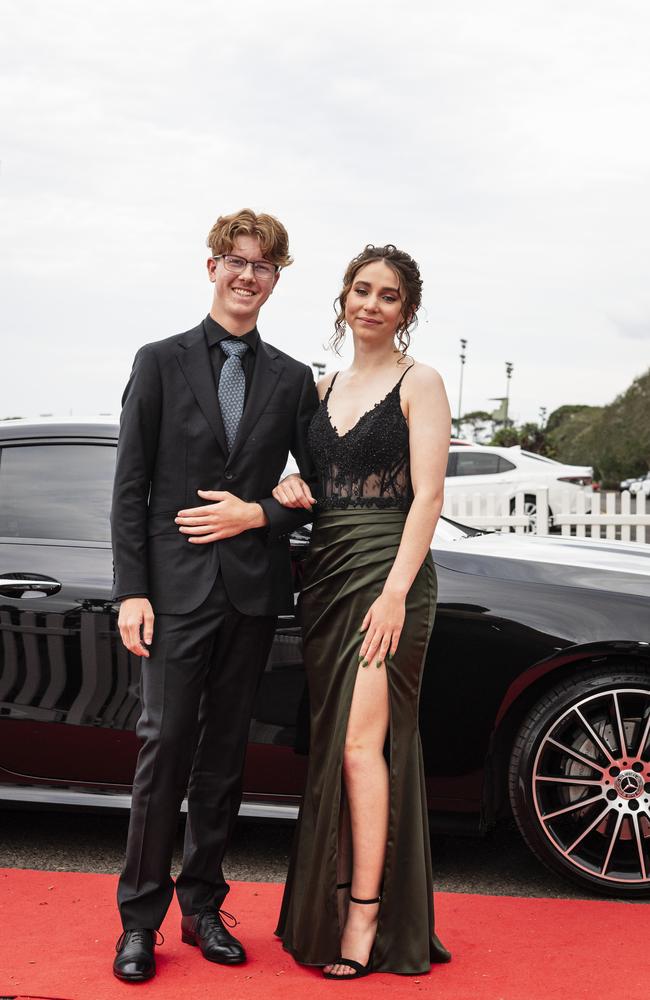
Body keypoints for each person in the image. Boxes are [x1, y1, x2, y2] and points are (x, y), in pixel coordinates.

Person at [110, 208, 318, 983]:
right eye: (235, 261)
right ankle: (139, 922)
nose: (246, 275)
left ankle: (202, 910)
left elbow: (322, 475)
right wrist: (134, 590)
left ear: (275, 278)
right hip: (174, 592)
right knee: (163, 752)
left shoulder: (293, 378)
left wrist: (262, 508)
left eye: (262, 265)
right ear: (211, 267)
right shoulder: (159, 361)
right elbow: (131, 486)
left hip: (252, 594)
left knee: (225, 761)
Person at [274, 244, 452, 979]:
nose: (371, 304)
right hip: (327, 578)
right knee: (337, 752)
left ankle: (366, 915)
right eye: (361, 290)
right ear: (343, 299)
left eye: (387, 295)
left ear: (406, 311)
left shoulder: (423, 382)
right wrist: (289, 480)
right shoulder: (318, 391)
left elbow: (431, 498)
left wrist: (394, 593)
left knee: (360, 747)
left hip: (390, 577)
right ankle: (331, 899)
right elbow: (311, 477)